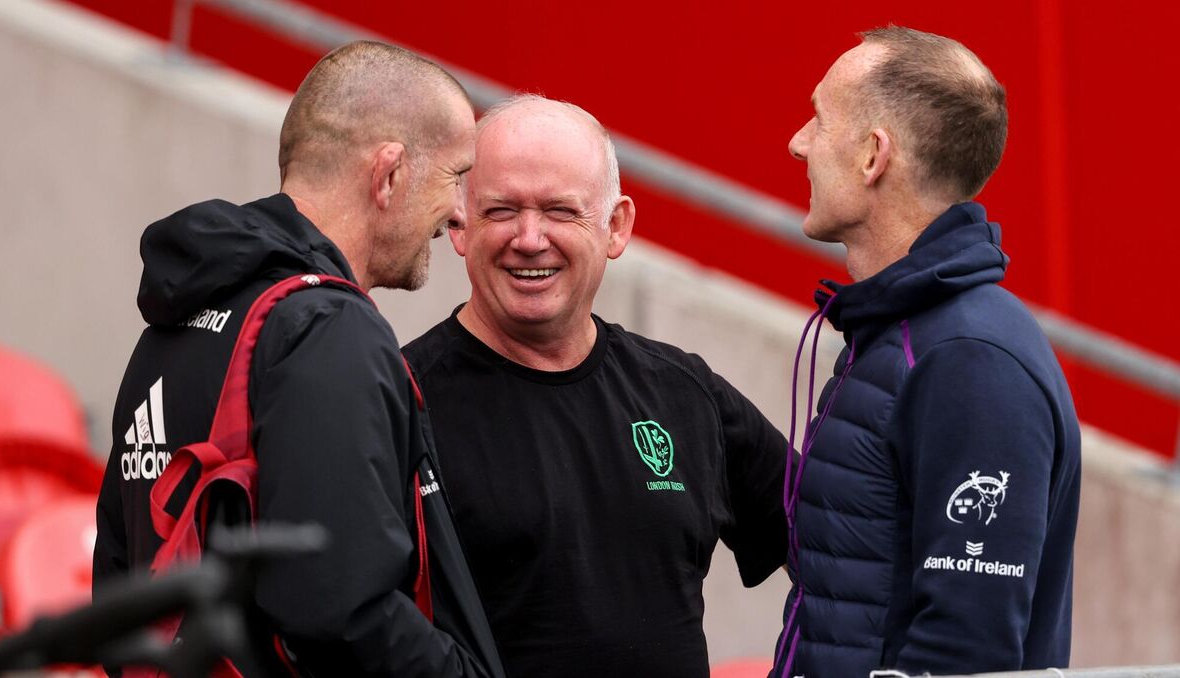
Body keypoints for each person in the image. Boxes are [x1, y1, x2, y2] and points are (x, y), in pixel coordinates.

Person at [93, 40, 505, 677]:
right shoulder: (331, 328)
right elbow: (340, 610)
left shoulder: (172, 326)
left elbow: (118, 578)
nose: (457, 213)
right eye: (455, 177)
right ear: (389, 175)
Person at [402, 94, 790, 677]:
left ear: (616, 226)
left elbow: (846, 548)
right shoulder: (402, 403)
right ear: (459, 223)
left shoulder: (686, 394)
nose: (529, 238)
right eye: (502, 210)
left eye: (561, 211)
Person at [772, 26, 1082, 678]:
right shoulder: (901, 333)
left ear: (872, 157)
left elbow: (967, 653)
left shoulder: (969, 359)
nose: (797, 143)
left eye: (820, 120)